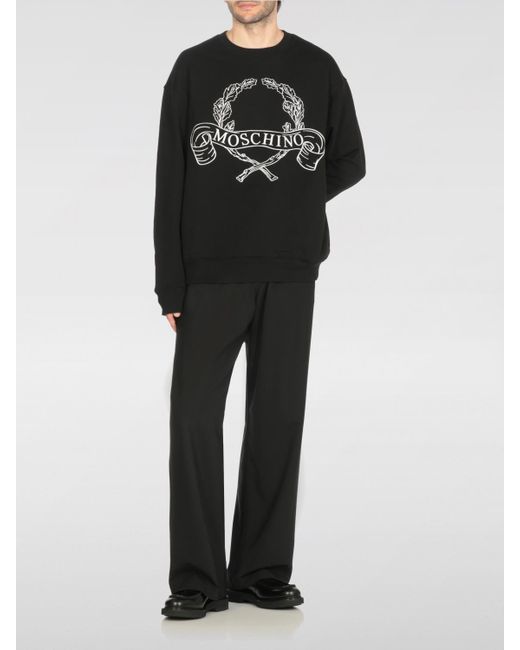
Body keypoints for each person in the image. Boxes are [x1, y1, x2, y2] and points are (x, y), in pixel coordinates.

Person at [154, 0, 365, 620]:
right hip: (208, 276)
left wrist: (294, 200)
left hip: (289, 271)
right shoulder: (193, 69)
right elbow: (170, 177)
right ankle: (197, 579)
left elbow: (349, 160)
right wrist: (171, 284)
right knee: (193, 421)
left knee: (277, 419)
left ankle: (261, 573)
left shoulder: (318, 68)